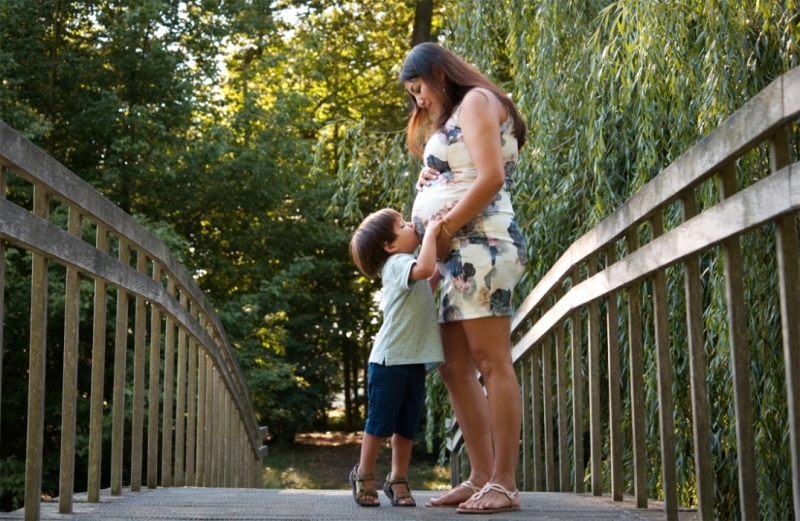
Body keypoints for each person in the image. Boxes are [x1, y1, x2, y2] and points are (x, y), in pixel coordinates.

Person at [400, 42, 528, 514]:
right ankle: (478, 476)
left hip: (482, 246)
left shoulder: (476, 100)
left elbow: (490, 177)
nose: (420, 102)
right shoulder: (457, 113)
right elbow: (463, 170)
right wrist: (431, 178)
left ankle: (505, 482)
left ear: (437, 72)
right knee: (454, 367)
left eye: (419, 89)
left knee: (490, 360)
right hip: (456, 254)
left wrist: (442, 226)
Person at [348, 208, 446, 507]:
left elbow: (427, 284)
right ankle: (363, 474)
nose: (410, 225)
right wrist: (431, 232)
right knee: (380, 423)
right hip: (389, 360)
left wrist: (445, 263)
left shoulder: (409, 265)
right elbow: (426, 269)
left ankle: (397, 478)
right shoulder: (396, 263)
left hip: (412, 360)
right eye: (402, 225)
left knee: (406, 425)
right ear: (389, 246)